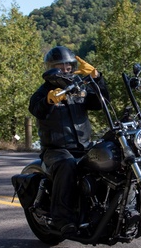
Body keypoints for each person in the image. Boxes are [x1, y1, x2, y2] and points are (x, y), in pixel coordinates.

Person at [28, 45, 109, 236]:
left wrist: (97, 78)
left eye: (68, 66)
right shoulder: (44, 91)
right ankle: (62, 219)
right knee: (67, 165)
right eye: (60, 66)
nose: (65, 70)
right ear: (50, 67)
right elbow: (36, 109)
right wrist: (48, 101)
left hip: (84, 147)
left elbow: (101, 102)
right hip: (56, 150)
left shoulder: (78, 88)